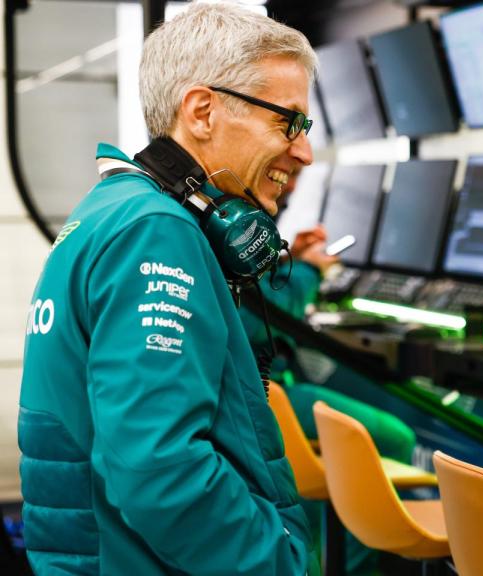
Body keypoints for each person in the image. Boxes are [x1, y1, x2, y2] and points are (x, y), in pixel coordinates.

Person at [19, 4, 319, 574]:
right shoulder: (155, 234)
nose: (303, 150)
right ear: (202, 112)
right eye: (289, 122)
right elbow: (158, 468)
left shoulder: (111, 209)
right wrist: (273, 561)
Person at [241, 168, 418, 575]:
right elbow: (261, 314)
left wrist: (291, 259)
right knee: (394, 437)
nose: (297, 170)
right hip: (265, 392)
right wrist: (309, 272)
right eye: (289, 166)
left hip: (270, 388)